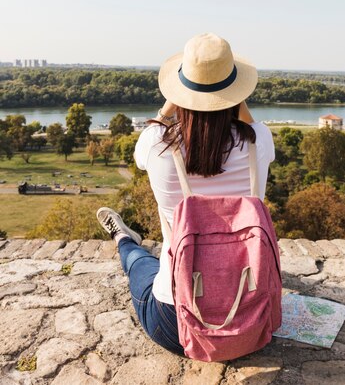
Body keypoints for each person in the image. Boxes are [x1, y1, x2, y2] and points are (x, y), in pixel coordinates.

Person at [96, 32, 276, 356]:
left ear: (181, 92)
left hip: (175, 323)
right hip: (250, 322)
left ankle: (124, 240)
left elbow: (140, 157)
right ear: (236, 94)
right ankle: (128, 243)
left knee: (141, 263)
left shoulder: (156, 143)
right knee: (149, 263)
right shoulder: (259, 142)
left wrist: (172, 103)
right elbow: (251, 124)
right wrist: (233, 97)